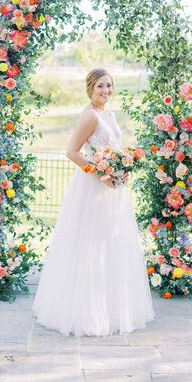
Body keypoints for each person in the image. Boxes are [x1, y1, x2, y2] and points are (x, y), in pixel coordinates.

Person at [32, 68, 155, 337]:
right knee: (92, 244)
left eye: (109, 86)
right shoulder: (89, 116)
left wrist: (123, 167)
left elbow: (113, 150)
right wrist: (102, 173)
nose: (106, 91)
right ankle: (86, 313)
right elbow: (72, 152)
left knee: (111, 244)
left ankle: (111, 308)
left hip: (113, 187)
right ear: (90, 88)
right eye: (100, 86)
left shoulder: (107, 113)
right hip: (93, 186)